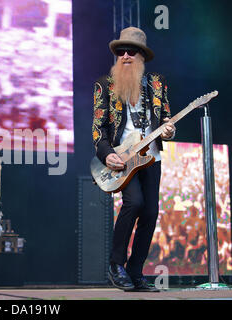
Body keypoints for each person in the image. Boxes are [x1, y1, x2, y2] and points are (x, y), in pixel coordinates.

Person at [92, 27, 176, 292]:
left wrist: (170, 129)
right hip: (123, 158)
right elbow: (98, 130)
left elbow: (167, 120)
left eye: (131, 51)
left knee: (151, 213)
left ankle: (135, 272)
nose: (125, 55)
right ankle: (116, 264)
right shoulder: (104, 86)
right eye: (121, 51)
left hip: (151, 157)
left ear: (141, 56)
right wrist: (108, 155)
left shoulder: (157, 84)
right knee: (135, 202)